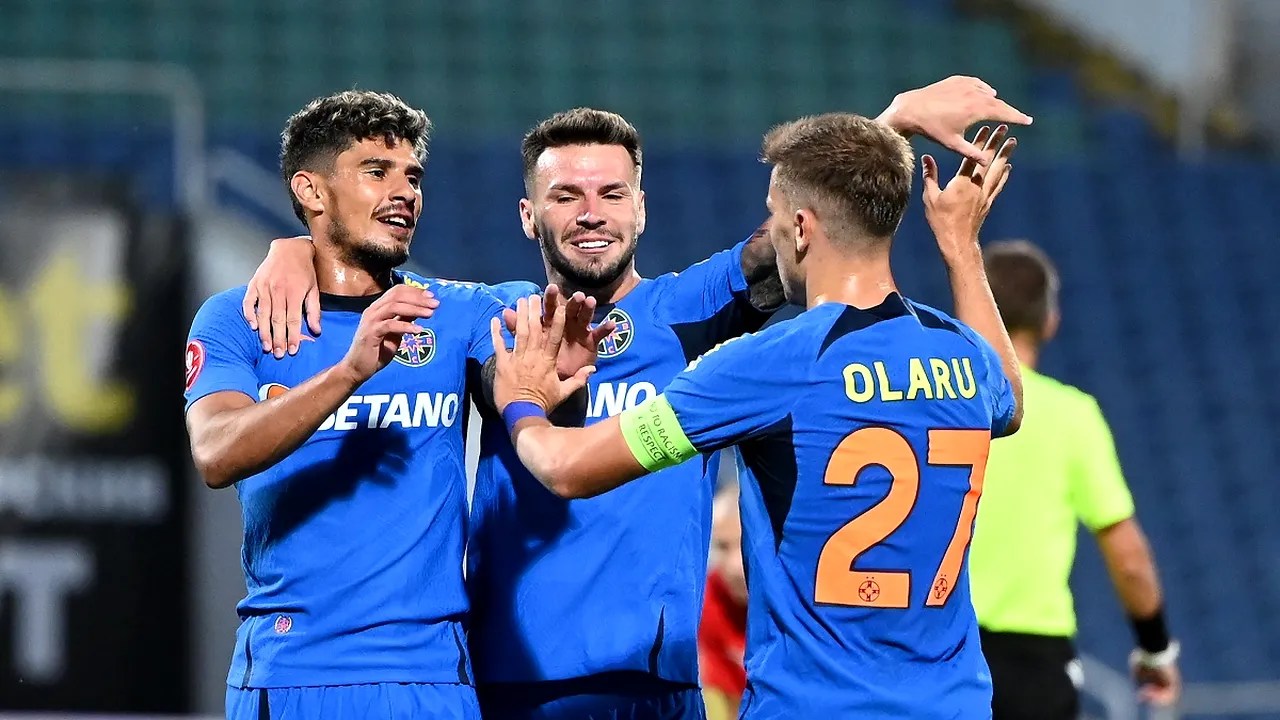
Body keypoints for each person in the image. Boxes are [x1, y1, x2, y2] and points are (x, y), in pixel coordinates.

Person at [243, 76, 1033, 719]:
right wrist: (300, 246)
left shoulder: (689, 312)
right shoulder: (491, 320)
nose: (591, 212)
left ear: (642, 208)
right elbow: (367, 277)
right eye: (566, 195)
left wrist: (889, 123)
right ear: (528, 216)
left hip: (663, 687)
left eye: (612, 193)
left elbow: (812, 222)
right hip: (517, 681)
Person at [483, 115, 1024, 717]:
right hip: (954, 703)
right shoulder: (962, 351)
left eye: (774, 213)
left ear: (800, 228)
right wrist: (960, 245)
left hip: (814, 704)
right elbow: (1011, 402)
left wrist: (523, 399)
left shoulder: (768, 364)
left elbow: (565, 469)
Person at [182, 90, 599, 720]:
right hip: (291, 669)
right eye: (376, 172)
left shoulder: (457, 314)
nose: (404, 192)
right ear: (311, 191)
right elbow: (215, 453)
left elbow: (529, 403)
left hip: (428, 676)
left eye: (413, 176)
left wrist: (556, 383)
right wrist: (349, 370)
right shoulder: (239, 319)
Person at [967, 240, 1181, 719]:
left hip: (939, 649)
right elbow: (1130, 559)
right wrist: (1156, 650)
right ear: (1050, 321)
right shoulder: (1072, 416)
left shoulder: (939, 406)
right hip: (1034, 665)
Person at [699, 483, 748, 720]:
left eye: (744, 544)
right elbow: (731, 705)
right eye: (723, 547)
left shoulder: (802, 601)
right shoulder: (709, 600)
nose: (735, 566)